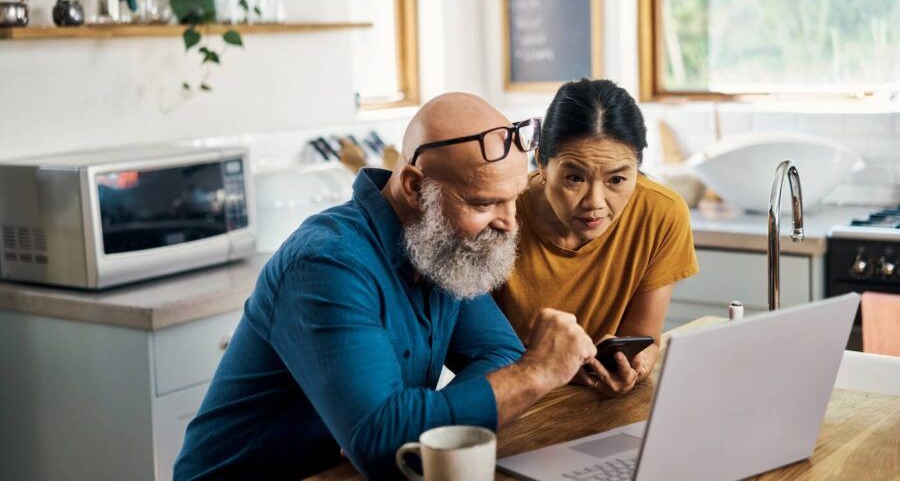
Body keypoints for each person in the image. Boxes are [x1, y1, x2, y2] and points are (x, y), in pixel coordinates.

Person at [174, 93, 597, 480]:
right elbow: (383, 441)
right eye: (484, 203)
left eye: (512, 199)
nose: (509, 223)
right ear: (415, 187)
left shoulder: (442, 247)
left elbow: (501, 352)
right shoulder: (326, 264)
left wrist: (412, 425)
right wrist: (537, 373)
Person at [494, 79, 698, 398]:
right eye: (575, 178)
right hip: (514, 393)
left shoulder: (662, 213)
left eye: (617, 179)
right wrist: (547, 368)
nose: (595, 203)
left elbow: (644, 339)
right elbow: (478, 351)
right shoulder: (500, 213)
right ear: (542, 162)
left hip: (598, 399)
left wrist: (634, 368)